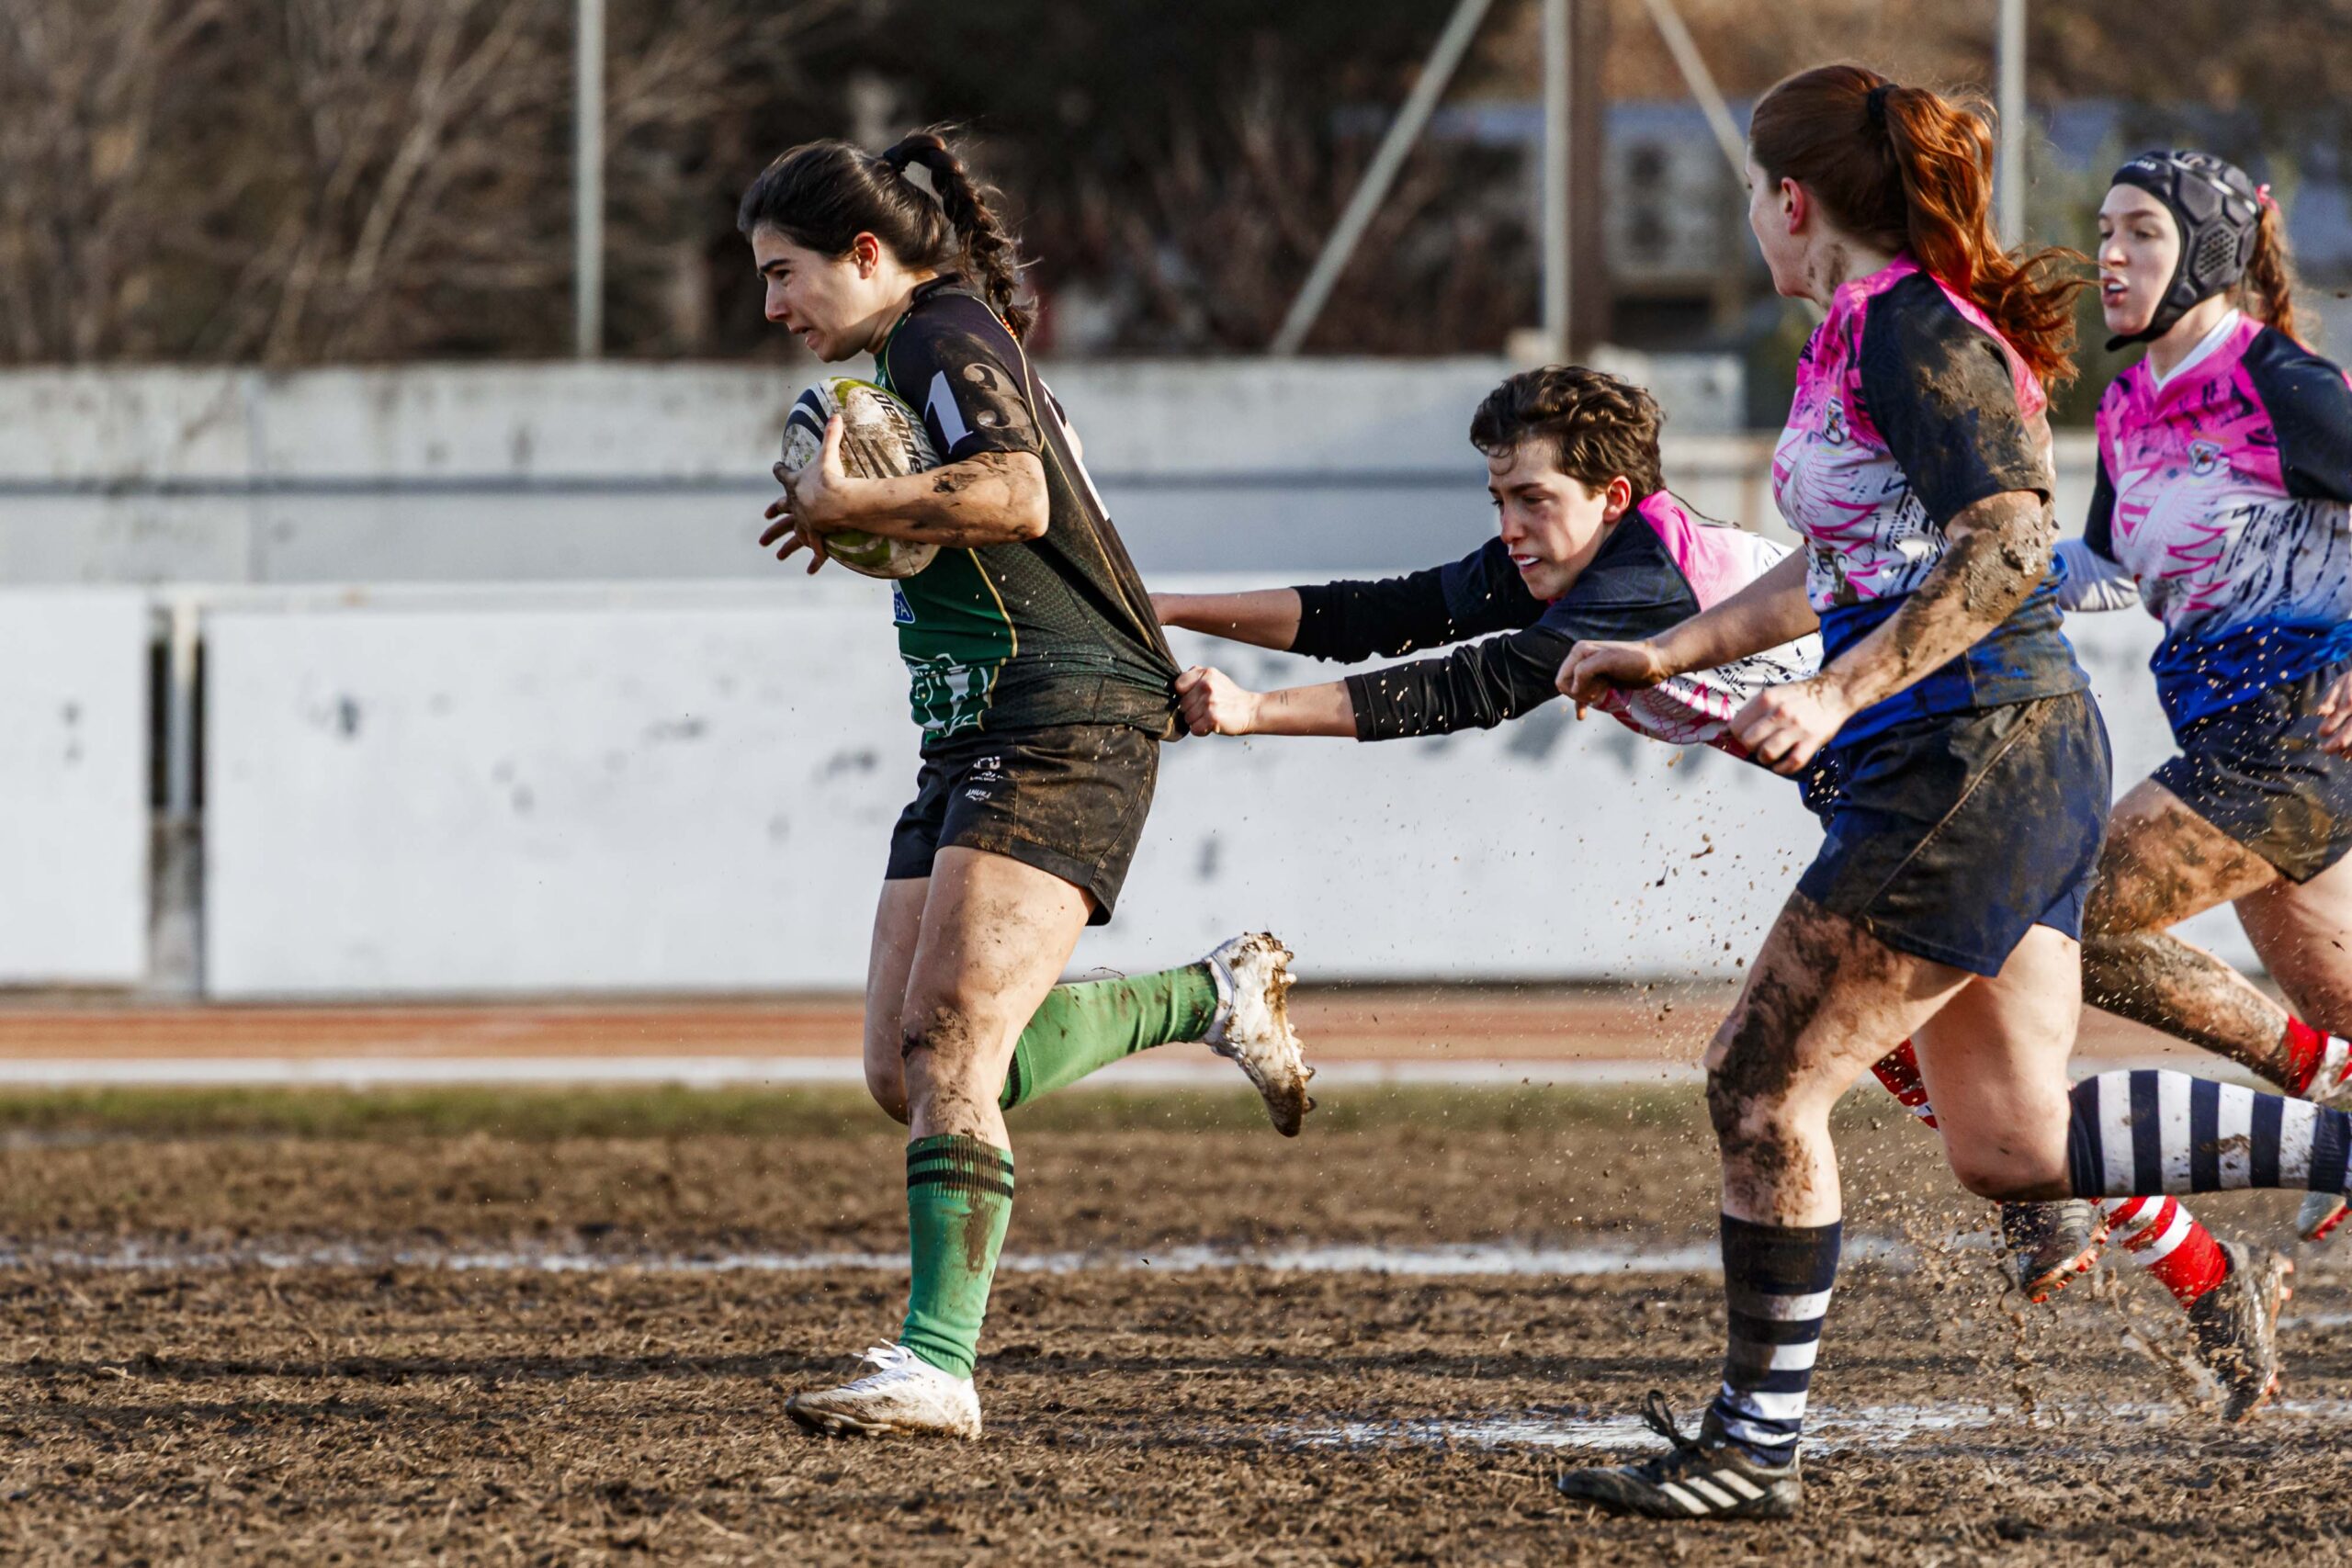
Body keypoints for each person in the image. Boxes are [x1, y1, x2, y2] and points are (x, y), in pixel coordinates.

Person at [1156, 363, 2259, 1397]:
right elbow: (1373, 614)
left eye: (1529, 500)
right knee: (1952, 1091)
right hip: (1919, 793)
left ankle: (2227, 1194)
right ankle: (2187, 1248)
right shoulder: (1579, 554)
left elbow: (1467, 689)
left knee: (1869, 1082)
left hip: (1963, 782)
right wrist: (1172, 605)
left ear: (1613, 495)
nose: (1508, 531)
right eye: (1497, 501)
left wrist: (1253, 711)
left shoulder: (1636, 583)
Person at [1546, 68, 2322, 1522]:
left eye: (1751, 199)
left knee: (1761, 1085)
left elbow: (2014, 540)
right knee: (2014, 1144)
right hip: (1989, 750)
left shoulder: (1909, 326)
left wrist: (1833, 694)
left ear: (1792, 199)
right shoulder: (1858, 329)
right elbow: (1846, 564)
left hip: (1964, 751)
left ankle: (1753, 1443)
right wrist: (1682, 644)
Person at [741, 130, 1315, 1439]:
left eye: (784, 274)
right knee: (908, 1061)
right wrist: (866, 514)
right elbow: (977, 503)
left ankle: (937, 1364)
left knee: (952, 1038)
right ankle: (1207, 994)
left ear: (867, 255)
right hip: (973, 724)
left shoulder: (942, 334)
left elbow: (1014, 494)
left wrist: (857, 504)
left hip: (1065, 710)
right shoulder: (913, 352)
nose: (771, 306)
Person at [2053, 152, 2352, 1245]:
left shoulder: (2280, 381)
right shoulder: (2128, 398)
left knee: (2052, 908)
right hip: (2227, 737)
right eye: (2102, 232)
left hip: (2298, 738)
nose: (2109, 256)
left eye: (2140, 231)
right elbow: (2098, 571)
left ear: (2210, 254)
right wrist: (1951, 571)